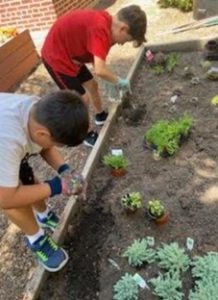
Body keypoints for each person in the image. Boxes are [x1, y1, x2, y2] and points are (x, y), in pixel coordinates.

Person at [0, 90, 89, 272]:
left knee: (27, 177)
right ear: (43, 134)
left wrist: (66, 172)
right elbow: (6, 198)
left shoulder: (39, 110)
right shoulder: (8, 141)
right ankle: (36, 239)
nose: (57, 148)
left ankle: (43, 215)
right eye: (58, 144)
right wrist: (57, 186)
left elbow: (44, 147)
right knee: (15, 197)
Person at [41, 5, 147, 147]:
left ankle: (100, 115)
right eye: (126, 40)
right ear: (122, 28)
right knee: (80, 99)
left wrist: (106, 76)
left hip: (73, 55)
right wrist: (118, 81)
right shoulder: (100, 30)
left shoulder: (107, 24)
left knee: (92, 85)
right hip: (57, 58)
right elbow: (100, 70)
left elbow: (96, 57)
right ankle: (85, 134)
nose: (122, 44)